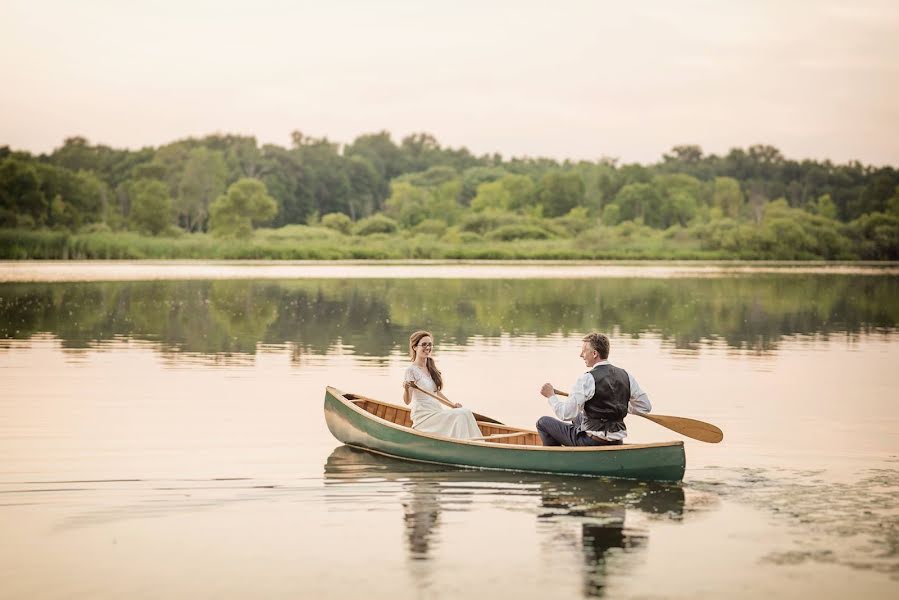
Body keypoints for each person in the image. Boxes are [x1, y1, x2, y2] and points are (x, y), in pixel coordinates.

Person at [536, 332, 651, 446]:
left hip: (592, 442)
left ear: (595, 353)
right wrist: (617, 404)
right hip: (617, 441)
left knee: (543, 422)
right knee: (577, 417)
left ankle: (557, 460)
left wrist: (551, 396)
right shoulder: (626, 375)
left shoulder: (587, 379)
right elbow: (645, 406)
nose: (581, 355)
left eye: (584, 351)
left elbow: (565, 414)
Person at [402, 330, 482, 439]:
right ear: (415, 347)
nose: (428, 347)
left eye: (430, 344)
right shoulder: (411, 370)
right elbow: (407, 401)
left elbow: (436, 392)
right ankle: (465, 444)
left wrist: (452, 406)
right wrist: (406, 389)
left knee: (465, 412)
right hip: (424, 416)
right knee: (461, 415)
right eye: (424, 344)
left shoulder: (430, 367)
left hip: (436, 411)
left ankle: (476, 442)